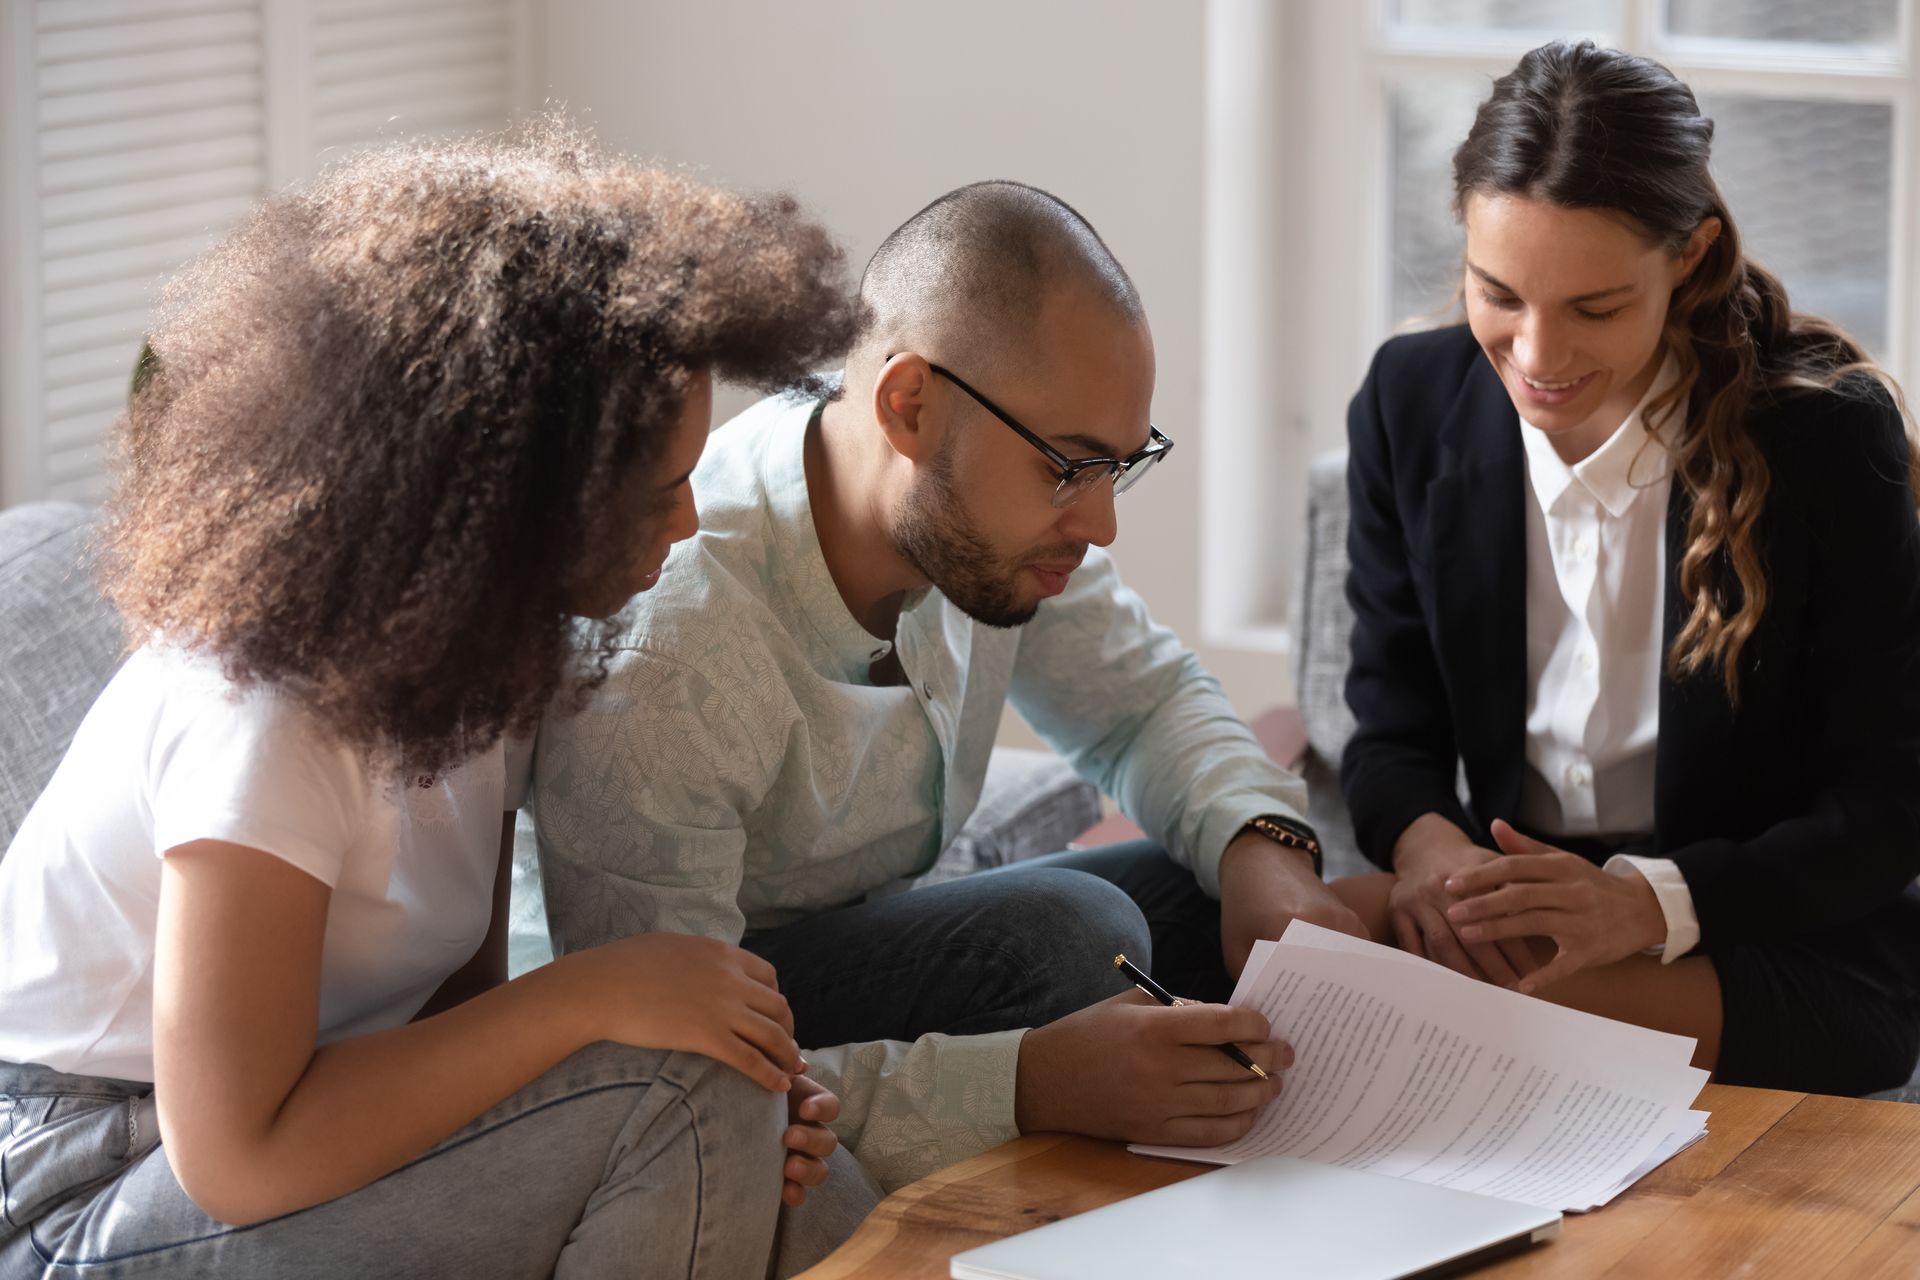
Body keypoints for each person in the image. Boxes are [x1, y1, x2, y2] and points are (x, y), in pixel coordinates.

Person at [0, 123, 867, 1277]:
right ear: (510, 499)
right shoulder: (263, 708)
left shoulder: (480, 655)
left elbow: (455, 1022)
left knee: (809, 1181)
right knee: (680, 1102)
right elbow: (237, 1151)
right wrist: (594, 999)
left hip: (280, 1145)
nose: (687, 524)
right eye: (657, 492)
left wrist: (715, 1091)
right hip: (86, 1189)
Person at [532, 179, 1363, 1195]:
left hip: (853, 951)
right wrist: (1027, 1083)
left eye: (1119, 464)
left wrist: (1263, 852)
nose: (1100, 523)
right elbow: (665, 1084)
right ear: (911, 407)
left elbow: (1144, 703)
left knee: (1226, 884)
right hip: (701, 1013)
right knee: (1074, 939)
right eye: (1069, 467)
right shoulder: (670, 654)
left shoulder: (980, 529)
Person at [1335, 40, 1920, 1096]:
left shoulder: (1827, 439)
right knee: (1302, 935)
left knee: (1443, 1007)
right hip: (1525, 915)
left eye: (1595, 308)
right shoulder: (1405, 401)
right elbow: (1388, 732)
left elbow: (1888, 807)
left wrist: (1652, 902)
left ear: (1690, 256)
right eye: (1497, 294)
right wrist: (1431, 853)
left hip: (1765, 931)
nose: (1538, 357)